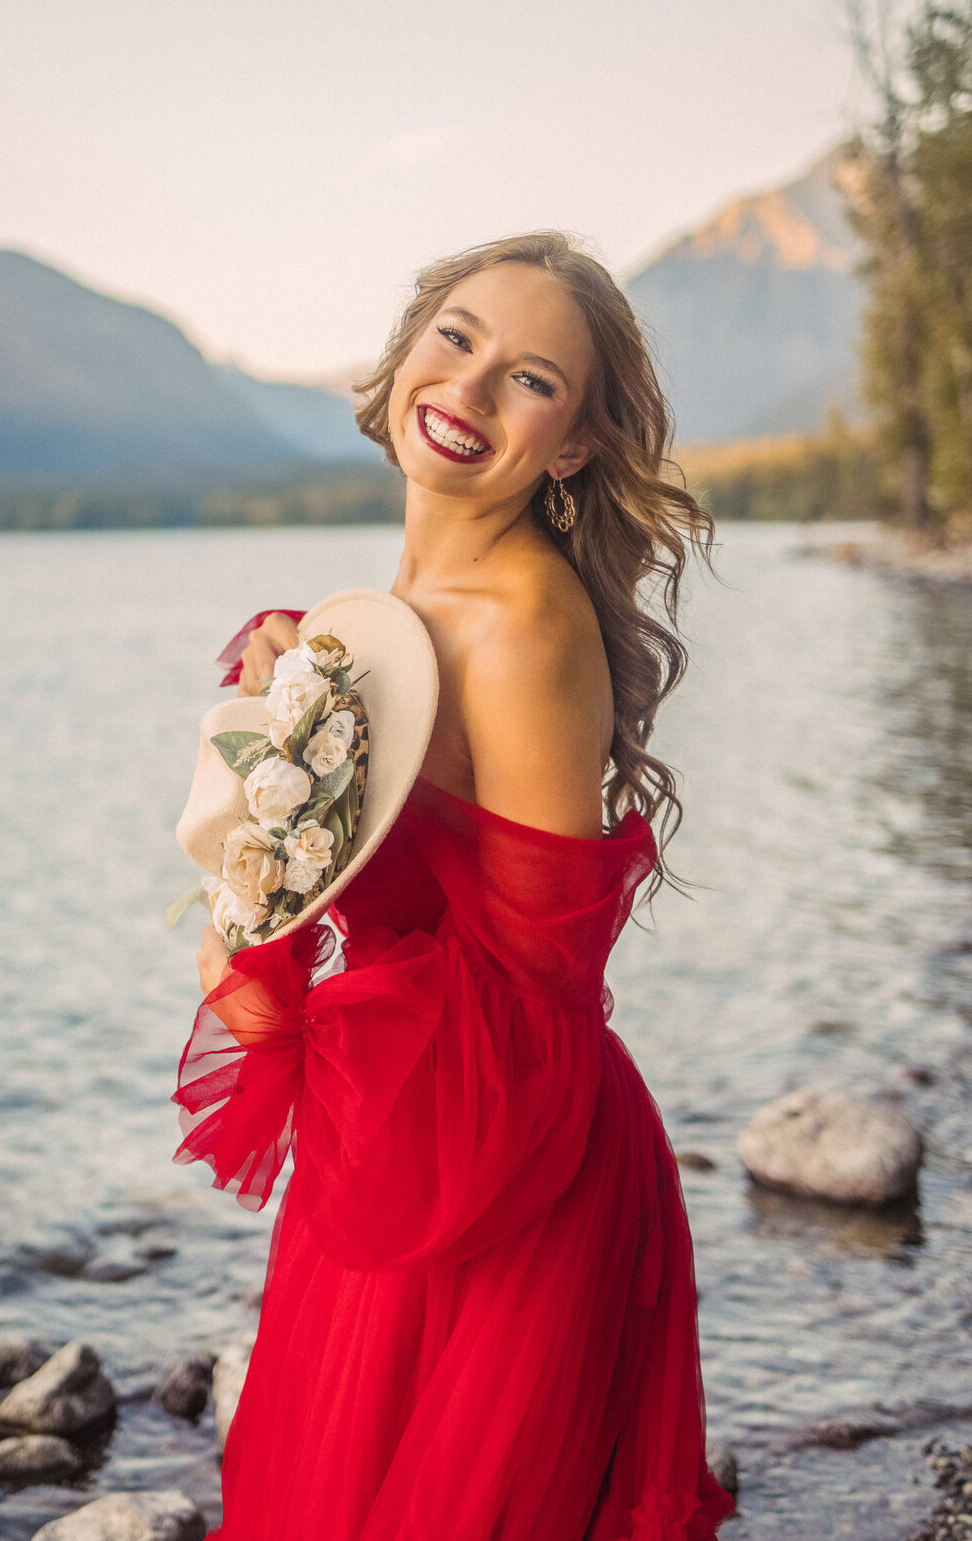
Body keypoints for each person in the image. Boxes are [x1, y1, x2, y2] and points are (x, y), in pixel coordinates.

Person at [174, 232, 734, 1540]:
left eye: (531, 378)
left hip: (505, 1165)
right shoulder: (387, 609)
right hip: (400, 1143)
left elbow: (541, 993)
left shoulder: (529, 629)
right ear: (408, 344)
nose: (471, 390)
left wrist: (272, 990)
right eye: (460, 335)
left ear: (577, 444)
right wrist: (299, 721)